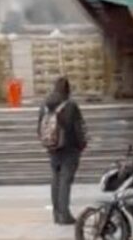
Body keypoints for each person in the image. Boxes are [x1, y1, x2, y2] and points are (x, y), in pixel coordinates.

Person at [38, 77, 87, 225]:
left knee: (56, 179)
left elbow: (39, 127)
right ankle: (65, 215)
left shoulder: (44, 105)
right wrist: (81, 145)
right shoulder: (71, 106)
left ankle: (56, 214)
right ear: (67, 89)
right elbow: (78, 128)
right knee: (65, 180)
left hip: (52, 148)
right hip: (69, 148)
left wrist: (48, 142)